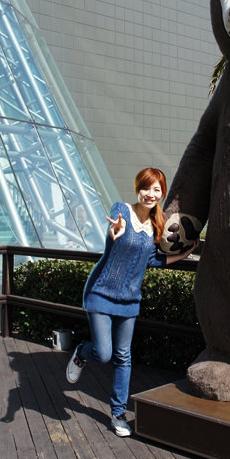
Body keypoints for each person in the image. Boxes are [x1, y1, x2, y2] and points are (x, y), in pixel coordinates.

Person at [65, 167, 198, 437]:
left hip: (129, 299)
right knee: (103, 353)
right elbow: (112, 236)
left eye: (156, 189)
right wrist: (115, 232)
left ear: (161, 194)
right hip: (101, 291)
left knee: (123, 356)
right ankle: (82, 353)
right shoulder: (121, 210)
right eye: (146, 188)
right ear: (138, 188)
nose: (150, 194)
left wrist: (184, 255)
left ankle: (118, 414)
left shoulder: (158, 225)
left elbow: (152, 260)